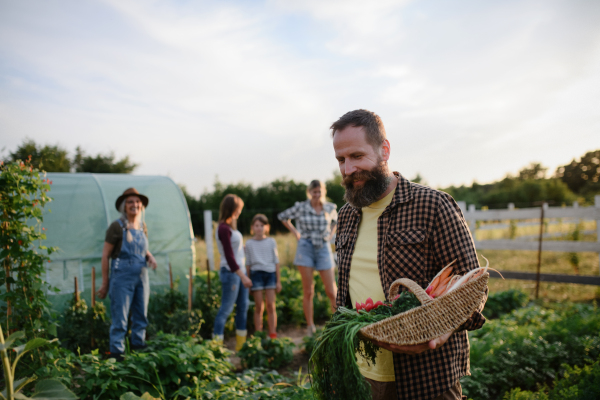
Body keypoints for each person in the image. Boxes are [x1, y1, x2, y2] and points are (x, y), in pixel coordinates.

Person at [331, 109, 487, 400]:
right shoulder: (346, 216)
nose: (348, 169)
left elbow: (475, 286)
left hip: (425, 377)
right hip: (362, 374)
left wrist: (442, 331)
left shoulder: (433, 205)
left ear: (384, 150)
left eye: (357, 156)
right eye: (341, 160)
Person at [98, 188, 158, 360]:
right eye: (130, 202)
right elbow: (105, 255)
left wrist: (150, 256)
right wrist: (105, 283)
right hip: (122, 275)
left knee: (141, 314)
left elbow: (143, 249)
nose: (135, 205)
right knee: (120, 318)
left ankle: (138, 349)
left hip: (142, 274)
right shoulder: (117, 227)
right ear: (124, 206)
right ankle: (117, 355)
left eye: (137, 202)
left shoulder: (142, 226)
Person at [278, 180, 338, 336]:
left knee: (331, 290)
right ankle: (310, 327)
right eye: (314, 192)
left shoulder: (329, 207)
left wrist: (331, 235)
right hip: (305, 248)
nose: (316, 195)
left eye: (319, 192)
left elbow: (336, 222)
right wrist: (296, 233)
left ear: (323, 192)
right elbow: (283, 217)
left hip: (323, 248)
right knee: (308, 291)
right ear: (309, 192)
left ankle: (339, 321)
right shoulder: (301, 207)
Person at [212, 194, 252, 351]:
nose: (240, 212)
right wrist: (243, 276)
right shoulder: (223, 228)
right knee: (226, 310)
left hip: (239, 272)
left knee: (243, 307)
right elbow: (229, 257)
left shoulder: (230, 227)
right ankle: (216, 348)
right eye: (239, 209)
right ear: (233, 209)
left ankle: (240, 347)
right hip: (232, 273)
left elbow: (235, 251)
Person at [245, 214, 282, 339]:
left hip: (270, 274)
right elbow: (248, 264)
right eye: (256, 225)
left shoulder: (271, 241)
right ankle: (258, 335)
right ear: (252, 227)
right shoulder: (249, 243)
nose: (259, 228)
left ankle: (272, 334)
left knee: (271, 305)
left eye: (262, 225)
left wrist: (278, 281)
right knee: (259, 306)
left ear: (267, 227)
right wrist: (249, 280)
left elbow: (276, 261)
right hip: (256, 275)